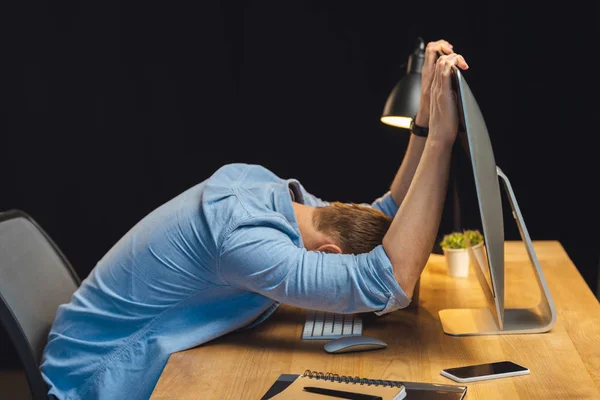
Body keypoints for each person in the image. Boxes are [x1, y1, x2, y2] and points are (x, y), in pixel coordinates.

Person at [40, 39, 468, 400]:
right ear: (330, 254)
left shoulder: (276, 195)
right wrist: (443, 142)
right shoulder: (246, 241)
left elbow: (386, 215)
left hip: (82, 343)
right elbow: (389, 279)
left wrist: (424, 127)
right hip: (90, 378)